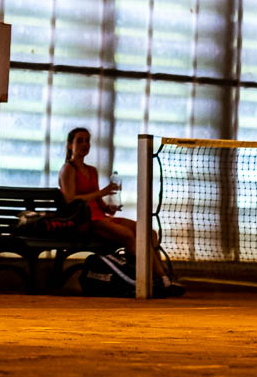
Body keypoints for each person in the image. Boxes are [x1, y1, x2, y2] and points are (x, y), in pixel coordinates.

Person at [57, 127, 184, 296]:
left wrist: (107, 207)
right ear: (69, 145)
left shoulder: (92, 171)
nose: (84, 144)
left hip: (101, 217)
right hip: (85, 221)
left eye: (87, 140)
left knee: (149, 232)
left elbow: (98, 202)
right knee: (128, 235)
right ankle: (148, 279)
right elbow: (70, 200)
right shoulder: (68, 169)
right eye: (79, 141)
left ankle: (160, 278)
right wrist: (102, 192)